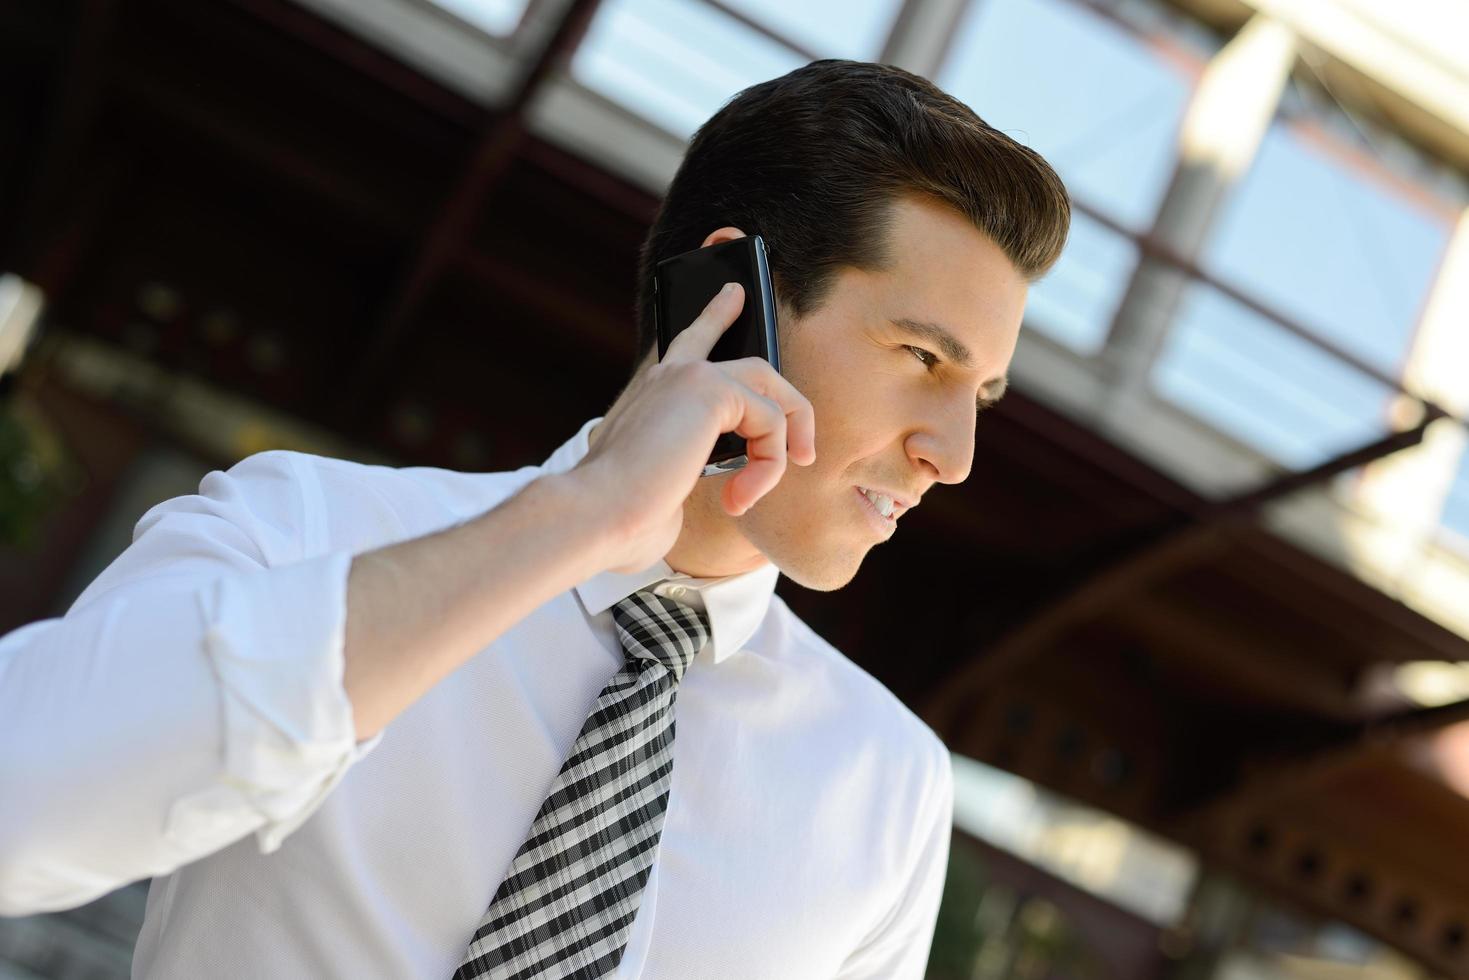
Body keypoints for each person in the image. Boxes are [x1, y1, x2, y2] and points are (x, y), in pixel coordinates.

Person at [0, 59, 1068, 978]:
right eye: (923, 358)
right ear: (723, 300)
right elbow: (22, 802)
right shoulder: (308, 526)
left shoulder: (885, 784)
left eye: (975, 395)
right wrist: (581, 519)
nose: (953, 454)